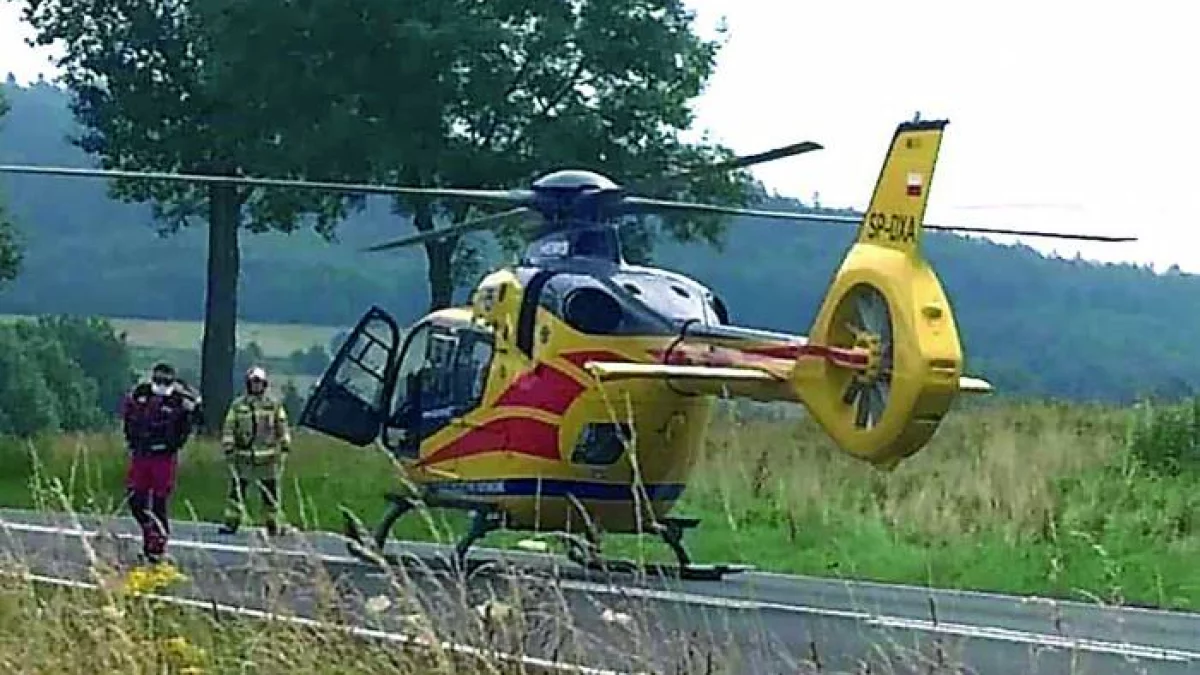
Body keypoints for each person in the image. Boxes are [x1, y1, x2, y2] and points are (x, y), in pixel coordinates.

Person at [120, 362, 202, 565]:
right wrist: (131, 439)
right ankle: (150, 533)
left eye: (166, 381)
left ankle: (157, 546)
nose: (161, 384)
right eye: (158, 380)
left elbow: (196, 420)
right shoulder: (141, 394)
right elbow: (128, 415)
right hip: (141, 454)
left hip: (164, 457)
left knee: (159, 503)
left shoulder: (180, 400)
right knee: (135, 499)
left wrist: (194, 405)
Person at [219, 366, 292, 536]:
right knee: (237, 492)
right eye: (253, 382)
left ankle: (272, 523)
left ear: (264, 384)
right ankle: (231, 522)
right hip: (244, 458)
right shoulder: (238, 405)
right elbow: (229, 426)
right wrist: (228, 446)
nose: (256, 386)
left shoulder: (273, 405)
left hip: (268, 458)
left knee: (270, 493)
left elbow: (282, 424)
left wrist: (285, 442)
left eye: (259, 382)